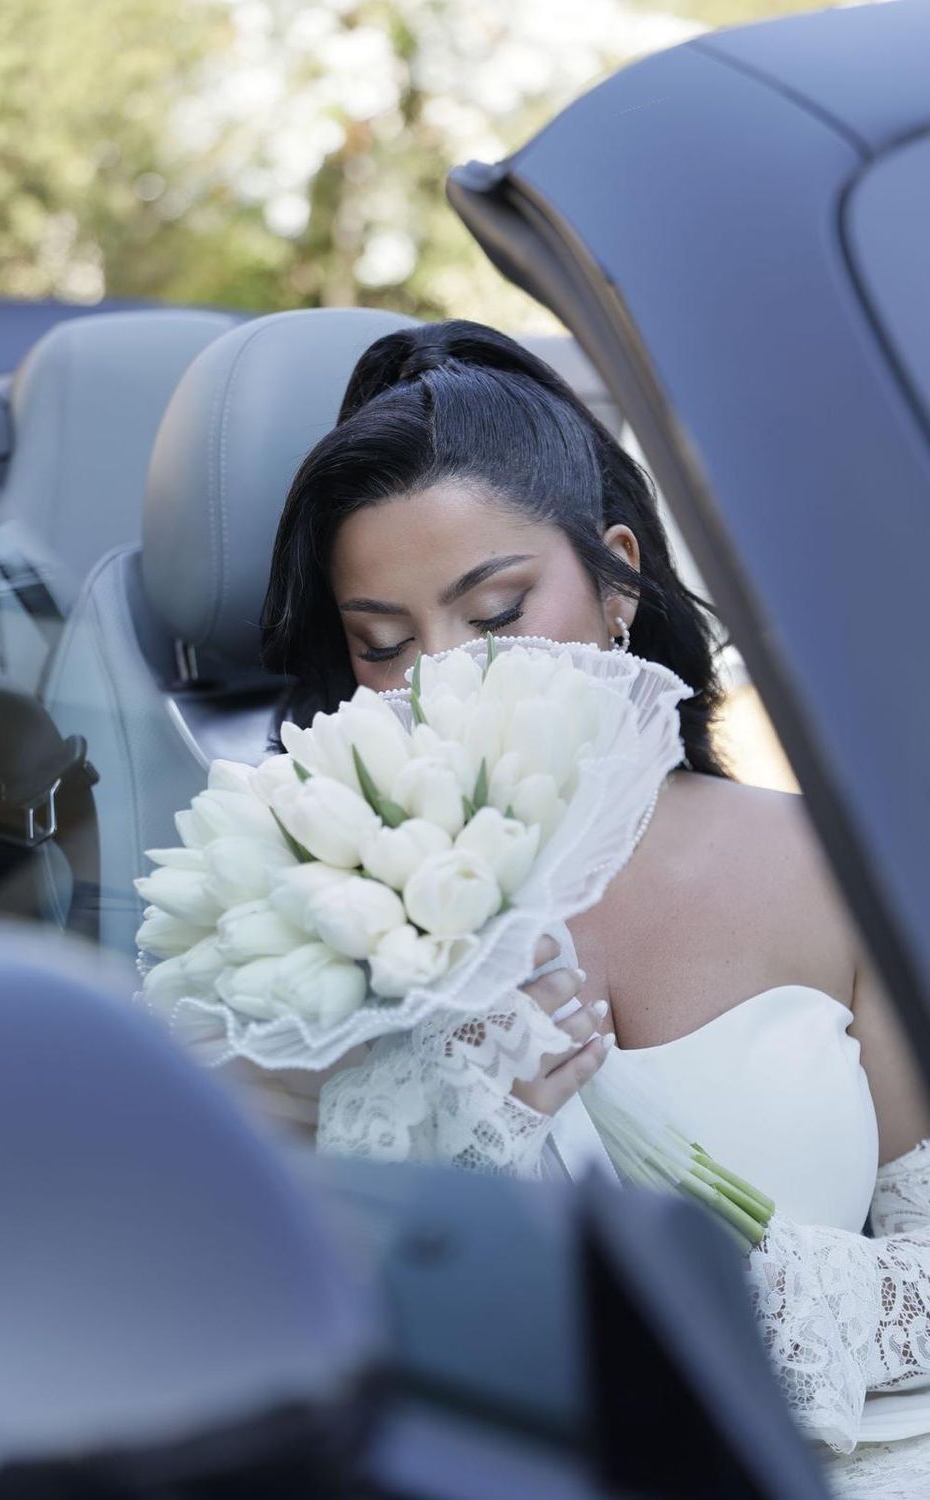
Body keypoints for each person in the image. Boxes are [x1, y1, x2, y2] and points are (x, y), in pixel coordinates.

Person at [258, 319, 930, 1498]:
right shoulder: (325, 922)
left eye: (497, 610)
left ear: (617, 579)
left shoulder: (830, 864)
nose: (446, 678)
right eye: (382, 644)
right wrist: (478, 1134)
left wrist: (728, 1309)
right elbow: (324, 1320)